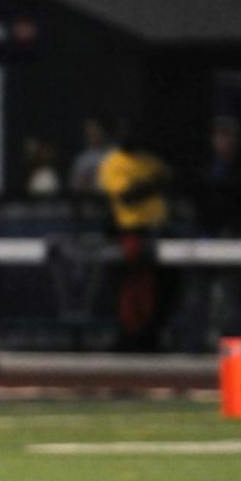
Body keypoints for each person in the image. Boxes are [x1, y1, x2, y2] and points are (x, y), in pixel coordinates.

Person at [97, 123, 173, 351]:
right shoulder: (113, 163)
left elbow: (168, 176)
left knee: (154, 287)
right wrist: (152, 184)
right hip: (130, 232)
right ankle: (129, 336)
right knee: (131, 285)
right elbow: (127, 195)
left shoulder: (148, 160)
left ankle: (149, 335)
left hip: (157, 231)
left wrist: (151, 184)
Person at [67, 119, 114, 196]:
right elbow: (74, 187)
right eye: (90, 131)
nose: (92, 133)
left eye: (96, 130)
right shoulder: (82, 159)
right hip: (89, 201)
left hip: (110, 199)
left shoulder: (114, 154)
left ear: (103, 131)